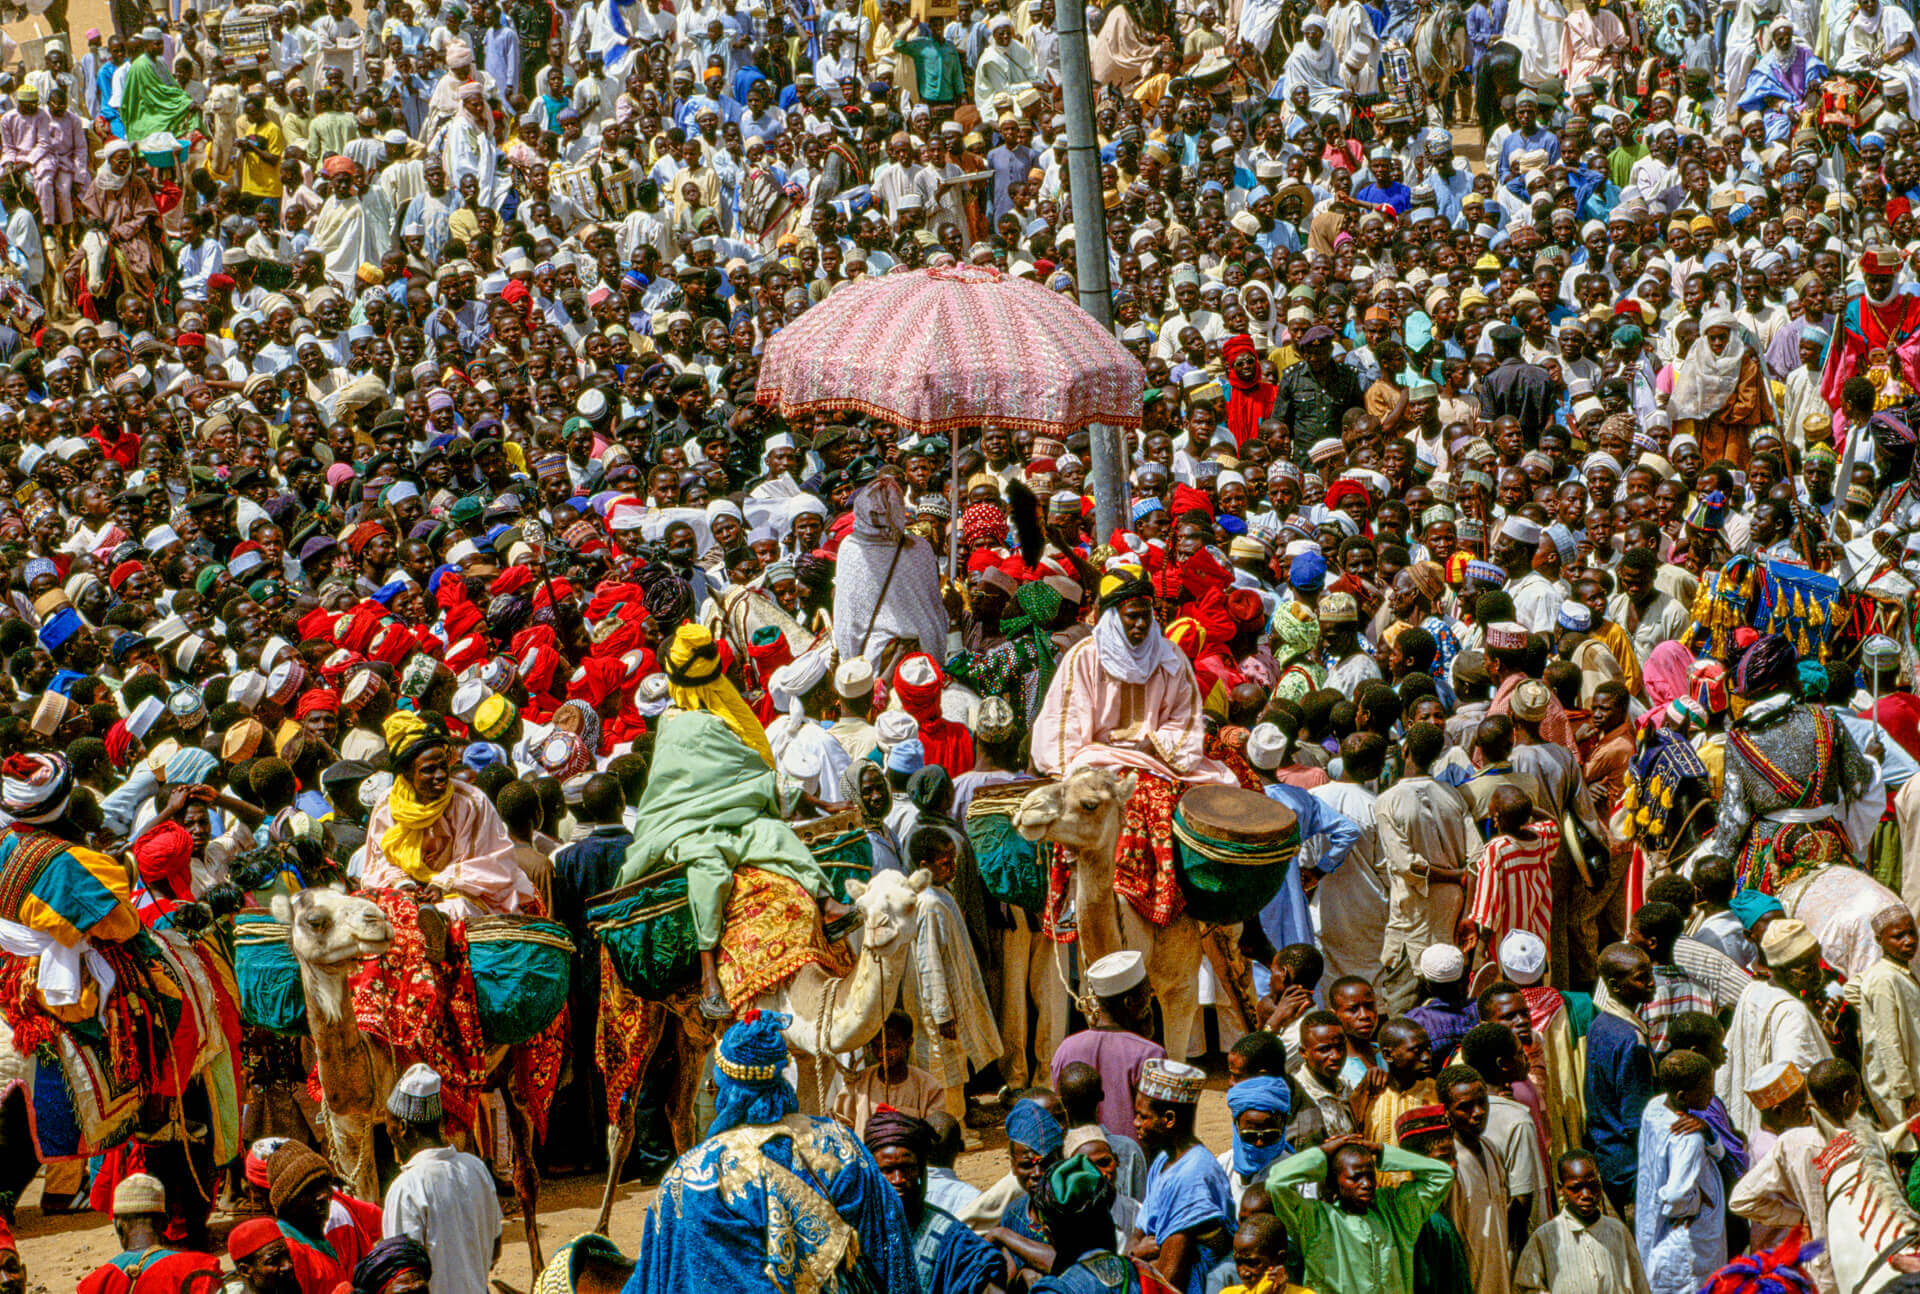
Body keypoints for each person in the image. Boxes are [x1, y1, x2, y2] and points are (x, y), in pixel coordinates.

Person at [633, 1010, 917, 1293]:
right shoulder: (841, 1144)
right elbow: (891, 1248)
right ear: (780, 1075)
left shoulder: (690, 1177)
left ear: (723, 1086)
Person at [1264, 1132, 1456, 1294]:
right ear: (1335, 1182)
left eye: (1370, 1175)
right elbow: (1276, 1183)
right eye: (1355, 1178)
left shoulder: (1396, 1214)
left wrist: (1382, 1151)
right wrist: (1322, 1154)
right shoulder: (1317, 1221)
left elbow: (1442, 1175)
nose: (1366, 1184)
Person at [381, 1064, 503, 1294]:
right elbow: (495, 1247)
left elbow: (404, 1278)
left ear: (404, 1128)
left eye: (390, 1131)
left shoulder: (406, 1188)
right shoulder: (476, 1168)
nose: (392, 1140)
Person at [864, 1106, 1008, 1294]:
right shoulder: (853, 1232)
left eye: (908, 1168)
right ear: (871, 1174)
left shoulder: (952, 1239)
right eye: (888, 1170)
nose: (898, 1179)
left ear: (923, 1169)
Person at [1131, 1058, 1234, 1294]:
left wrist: (1133, 1256)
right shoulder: (1163, 1160)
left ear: (1169, 1119)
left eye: (1143, 1116)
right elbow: (1138, 1235)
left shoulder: (1191, 1176)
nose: (1135, 1123)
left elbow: (1169, 1279)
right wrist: (1133, 1254)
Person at [1636, 1049, 1729, 1294]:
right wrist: (1700, 1200)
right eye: (1706, 1090)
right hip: (1689, 1240)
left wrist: (1708, 1130)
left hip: (1657, 1230)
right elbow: (1677, 1198)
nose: (1712, 1094)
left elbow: (1718, 1152)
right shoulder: (1689, 1139)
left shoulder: (1655, 1108)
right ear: (1682, 1095)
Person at [1514, 1151, 1653, 1294]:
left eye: (1593, 1185)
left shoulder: (1618, 1232)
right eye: (1576, 1188)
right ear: (1561, 1189)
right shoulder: (1544, 1238)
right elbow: (1526, 1287)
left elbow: (1640, 1285)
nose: (1586, 1195)